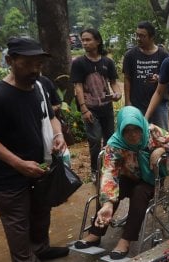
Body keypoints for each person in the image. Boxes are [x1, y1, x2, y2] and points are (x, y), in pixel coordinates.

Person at [0, 37, 69, 262]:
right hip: (8, 173)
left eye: (38, 63)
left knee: (41, 209)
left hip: (38, 166)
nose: (33, 69)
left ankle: (40, 248)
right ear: (10, 61)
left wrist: (58, 135)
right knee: (17, 221)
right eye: (26, 64)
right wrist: (18, 164)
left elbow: (51, 117)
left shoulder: (39, 85)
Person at [72, 106, 169, 260]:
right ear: (121, 130)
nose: (133, 135)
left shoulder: (152, 131)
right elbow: (109, 173)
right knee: (109, 192)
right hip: (128, 176)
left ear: (141, 126)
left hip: (151, 178)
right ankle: (95, 233)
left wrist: (161, 150)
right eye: (127, 131)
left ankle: (125, 240)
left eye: (136, 129)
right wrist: (108, 203)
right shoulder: (115, 144)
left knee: (139, 194)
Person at [70, 28, 122, 180]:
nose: (84, 43)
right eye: (83, 40)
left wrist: (117, 94)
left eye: (88, 39)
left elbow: (113, 82)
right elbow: (78, 86)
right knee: (94, 140)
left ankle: (109, 167)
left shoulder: (107, 62)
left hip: (106, 107)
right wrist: (84, 109)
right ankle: (95, 170)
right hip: (90, 108)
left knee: (110, 139)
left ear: (98, 41)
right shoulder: (79, 63)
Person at [123, 21, 169, 130]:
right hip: (137, 104)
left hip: (160, 104)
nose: (138, 38)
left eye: (142, 36)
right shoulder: (130, 55)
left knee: (161, 134)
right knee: (138, 135)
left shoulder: (163, 55)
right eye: (137, 35)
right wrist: (128, 102)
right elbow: (127, 79)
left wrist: (159, 78)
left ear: (152, 37)